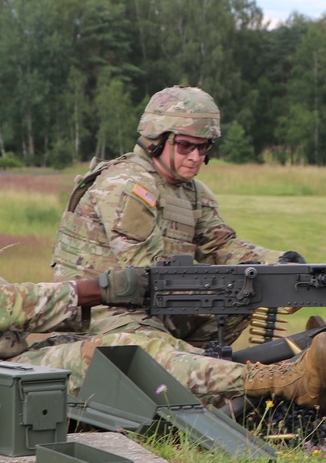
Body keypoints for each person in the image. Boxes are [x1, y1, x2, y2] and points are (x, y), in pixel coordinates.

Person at [0, 167, 326, 412]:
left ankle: (276, 361)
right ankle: (282, 381)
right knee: (117, 353)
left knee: (132, 343)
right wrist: (95, 291)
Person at [51, 84, 305, 348]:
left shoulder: (192, 192)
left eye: (203, 147)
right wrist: (230, 283)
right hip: (103, 312)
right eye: (185, 146)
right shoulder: (126, 184)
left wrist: (279, 265)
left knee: (241, 298)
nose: (195, 157)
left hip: (153, 308)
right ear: (156, 140)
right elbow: (147, 271)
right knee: (232, 294)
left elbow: (220, 246)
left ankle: (204, 372)